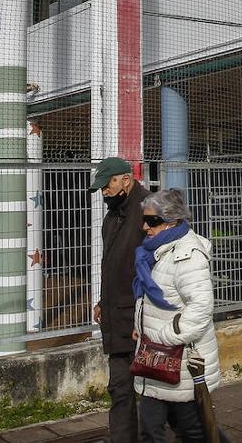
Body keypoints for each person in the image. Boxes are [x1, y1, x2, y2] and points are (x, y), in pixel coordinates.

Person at [133, 189, 222, 443]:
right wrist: (138, 325)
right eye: (144, 220)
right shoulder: (155, 251)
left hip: (180, 362)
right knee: (150, 430)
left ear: (171, 221)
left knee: (193, 432)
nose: (145, 227)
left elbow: (201, 308)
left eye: (152, 221)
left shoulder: (187, 255)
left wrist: (163, 336)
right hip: (153, 360)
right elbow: (150, 297)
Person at [92, 156, 147, 443]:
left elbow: (160, 267)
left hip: (142, 319)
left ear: (125, 180)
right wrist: (103, 300)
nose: (104, 191)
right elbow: (111, 263)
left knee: (157, 391)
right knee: (120, 388)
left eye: (107, 185)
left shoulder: (149, 209)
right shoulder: (112, 214)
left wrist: (149, 313)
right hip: (116, 317)